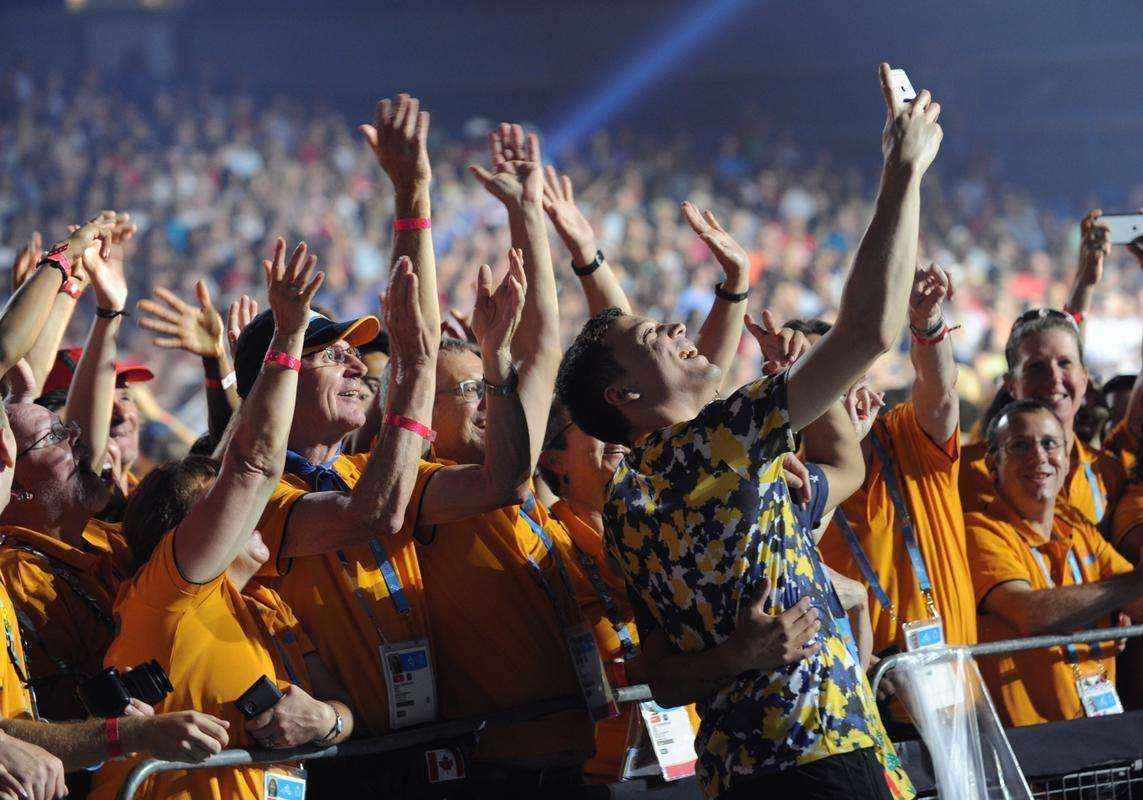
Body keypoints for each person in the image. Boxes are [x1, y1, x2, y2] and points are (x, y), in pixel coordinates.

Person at [557, 63, 936, 798]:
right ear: (627, 394)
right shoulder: (721, 444)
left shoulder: (627, 505)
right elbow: (866, 331)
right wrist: (902, 174)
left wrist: (735, 655)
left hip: (737, 774)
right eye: (650, 333)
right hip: (817, 755)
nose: (673, 325)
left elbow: (663, 677)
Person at [89, 237, 355, 800]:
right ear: (186, 535)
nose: (253, 513)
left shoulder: (262, 601)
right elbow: (251, 468)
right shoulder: (168, 592)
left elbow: (343, 708)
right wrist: (285, 338)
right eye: (226, 510)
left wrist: (328, 721)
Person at [814, 264, 975, 731]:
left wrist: (926, 325)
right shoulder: (794, 473)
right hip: (864, 704)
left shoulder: (905, 433)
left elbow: (940, 395)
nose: (835, 394)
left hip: (960, 697)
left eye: (841, 375)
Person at [0, 229, 132, 723]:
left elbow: (84, 444)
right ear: (15, 480)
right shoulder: (20, 577)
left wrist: (108, 311)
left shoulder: (101, 537)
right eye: (56, 438)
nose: (77, 441)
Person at [966, 399, 1143, 727]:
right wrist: (1129, 586)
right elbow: (1029, 612)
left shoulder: (1077, 528)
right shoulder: (980, 530)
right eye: (1020, 445)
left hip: (1099, 733)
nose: (1039, 456)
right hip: (1030, 750)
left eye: (1050, 443)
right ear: (992, 464)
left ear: (1065, 458)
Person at [960, 310, 1126, 530]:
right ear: (1010, 384)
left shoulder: (1107, 474)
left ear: (1084, 379)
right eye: (1036, 366)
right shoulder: (967, 472)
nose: (1054, 377)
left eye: (1065, 363)